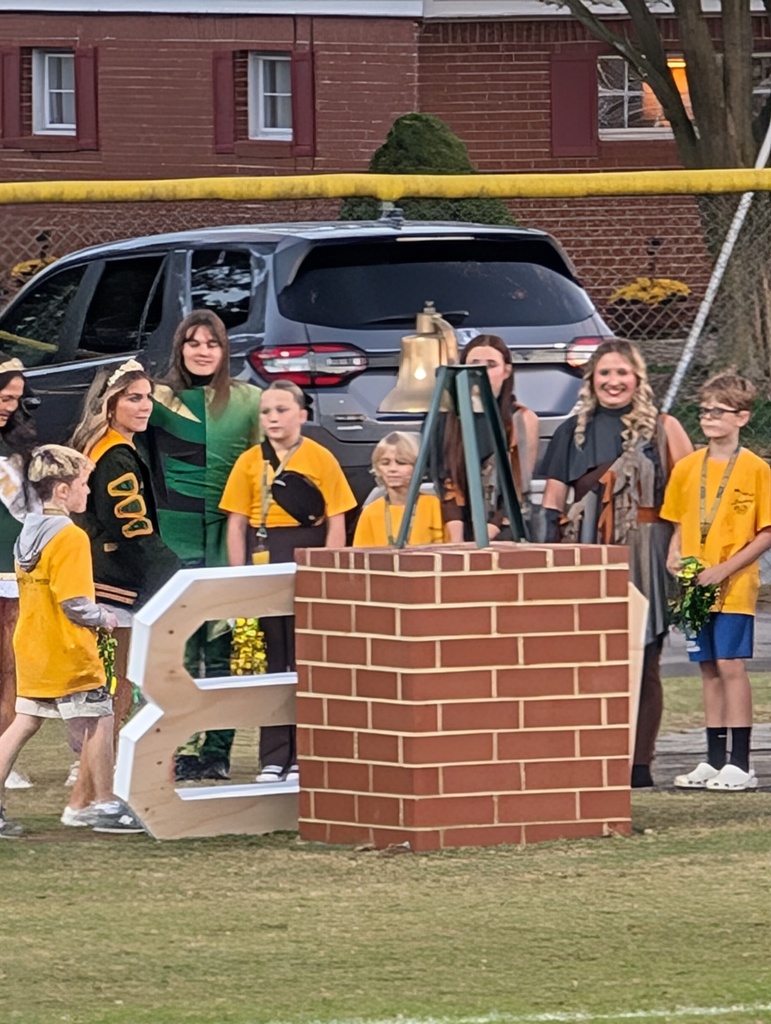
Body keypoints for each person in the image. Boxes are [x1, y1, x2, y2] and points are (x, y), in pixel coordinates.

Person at [541, 339, 693, 789]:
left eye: (622, 373)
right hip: (590, 550)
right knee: (593, 659)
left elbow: (688, 497)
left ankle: (639, 762)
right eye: (604, 373)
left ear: (638, 379)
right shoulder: (572, 432)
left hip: (647, 549)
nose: (613, 382)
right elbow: (553, 500)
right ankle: (595, 756)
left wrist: (679, 549)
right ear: (591, 380)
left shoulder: (664, 429)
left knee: (644, 659)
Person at [0, 445, 143, 837]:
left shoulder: (28, 532)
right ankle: (102, 804)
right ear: (61, 491)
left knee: (23, 722)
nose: (87, 492)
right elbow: (76, 604)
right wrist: (106, 617)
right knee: (101, 717)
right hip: (68, 650)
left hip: (32, 645)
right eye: (83, 484)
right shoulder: (70, 536)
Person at [145, 310, 262, 781]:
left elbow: (265, 470)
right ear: (180, 348)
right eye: (193, 343)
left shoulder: (248, 399)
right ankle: (173, 749)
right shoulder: (157, 398)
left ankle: (216, 751)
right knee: (174, 652)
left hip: (228, 541)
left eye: (211, 343)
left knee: (226, 651)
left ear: (223, 350)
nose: (202, 351)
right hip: (172, 541)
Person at [220, 379, 356, 783]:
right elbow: (236, 522)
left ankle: (306, 753)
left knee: (305, 659)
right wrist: (239, 574)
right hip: (265, 554)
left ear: (302, 414)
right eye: (266, 411)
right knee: (271, 660)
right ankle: (274, 756)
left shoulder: (321, 458)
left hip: (307, 554)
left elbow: (336, 519)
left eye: (282, 410)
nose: (273, 418)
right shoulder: (248, 461)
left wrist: (328, 568)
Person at [661, 371, 771, 791]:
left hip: (734, 583)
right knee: (706, 667)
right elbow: (679, 522)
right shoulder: (688, 468)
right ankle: (712, 758)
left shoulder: (756, 469)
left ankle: (741, 761)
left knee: (730, 664)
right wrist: (675, 553)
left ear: (741, 418)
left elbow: (766, 531)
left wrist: (725, 569)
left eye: (718, 412)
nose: (708, 418)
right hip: (695, 585)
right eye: (704, 410)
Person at [69, 359, 181, 772]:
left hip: (98, 576)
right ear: (110, 404)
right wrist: (175, 573)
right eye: (134, 398)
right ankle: (99, 770)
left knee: (105, 683)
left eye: (149, 397)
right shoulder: (115, 455)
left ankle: (93, 764)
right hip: (115, 584)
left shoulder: (105, 447)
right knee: (117, 684)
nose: (145, 405)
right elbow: (132, 530)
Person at [439, 335, 539, 542]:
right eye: (474, 364)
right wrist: (459, 545)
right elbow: (446, 483)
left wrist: (485, 537)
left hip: (502, 528)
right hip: (455, 528)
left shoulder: (521, 420)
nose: (481, 372)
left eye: (491, 365)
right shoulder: (446, 419)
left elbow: (518, 488)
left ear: (506, 371)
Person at [0, 358, 39, 791]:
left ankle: (3, 752)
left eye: (15, 399)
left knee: (11, 667)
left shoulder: (19, 449)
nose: (9, 407)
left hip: (11, 572)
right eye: (3, 396)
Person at [353, 431, 447, 547]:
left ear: (418, 467)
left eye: (401, 463)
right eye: (385, 463)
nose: (392, 469)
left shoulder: (435, 506)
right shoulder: (370, 512)